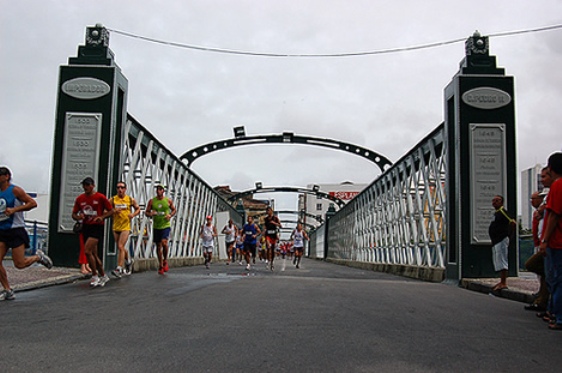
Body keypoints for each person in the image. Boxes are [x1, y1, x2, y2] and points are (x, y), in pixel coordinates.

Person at [0, 167, 53, 301]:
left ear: (6, 176)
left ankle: (38, 258)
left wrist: (15, 210)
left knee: (19, 264)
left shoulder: (15, 190)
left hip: (16, 230)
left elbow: (32, 203)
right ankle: (7, 290)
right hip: (2, 230)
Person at [72, 177, 113, 288]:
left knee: (87, 250)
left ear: (92, 186)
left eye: (87, 185)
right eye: (84, 185)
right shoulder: (80, 199)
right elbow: (74, 214)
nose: (85, 187)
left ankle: (94, 275)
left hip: (97, 227)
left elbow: (111, 210)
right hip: (86, 227)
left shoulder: (100, 197)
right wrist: (78, 217)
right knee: (94, 254)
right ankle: (103, 275)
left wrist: (102, 217)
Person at [539, 152, 562, 330]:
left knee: (556, 279)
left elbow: (553, 215)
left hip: (557, 241)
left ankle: (557, 315)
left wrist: (544, 240)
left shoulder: (558, 186)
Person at [110, 181, 140, 278]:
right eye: (118, 187)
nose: (120, 189)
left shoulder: (130, 199)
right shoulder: (113, 199)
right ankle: (128, 261)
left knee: (120, 245)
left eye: (122, 187)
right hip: (116, 226)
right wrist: (113, 211)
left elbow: (138, 209)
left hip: (125, 226)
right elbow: (105, 210)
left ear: (125, 189)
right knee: (121, 248)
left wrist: (133, 215)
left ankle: (119, 268)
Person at [524, 190, 548, 311]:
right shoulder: (538, 213)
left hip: (546, 243)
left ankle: (544, 299)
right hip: (539, 242)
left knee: (534, 265)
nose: (532, 201)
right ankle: (542, 297)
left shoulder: (545, 210)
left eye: (534, 198)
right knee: (543, 273)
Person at [145, 184, 176, 275]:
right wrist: (151, 214)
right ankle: (161, 265)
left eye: (160, 189)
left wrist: (170, 215)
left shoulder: (168, 201)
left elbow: (174, 210)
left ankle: (165, 260)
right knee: (158, 246)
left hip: (165, 225)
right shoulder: (152, 201)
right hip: (156, 226)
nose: (158, 191)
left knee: (164, 243)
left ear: (163, 191)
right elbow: (146, 212)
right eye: (157, 189)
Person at [488, 195, 516, 292]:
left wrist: (508, 235)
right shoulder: (496, 213)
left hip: (502, 239)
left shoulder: (503, 212)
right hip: (496, 240)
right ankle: (501, 281)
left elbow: (513, 222)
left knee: (502, 260)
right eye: (494, 200)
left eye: (497, 200)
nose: (495, 202)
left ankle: (503, 282)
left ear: (502, 202)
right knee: (498, 260)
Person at [264, 207, 282, 271]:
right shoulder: (266, 219)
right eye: (267, 211)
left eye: (269, 211)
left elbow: (280, 225)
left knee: (272, 250)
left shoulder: (275, 218)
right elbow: (265, 226)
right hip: (268, 235)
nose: (268, 212)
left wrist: (275, 223)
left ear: (271, 211)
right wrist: (264, 232)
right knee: (268, 247)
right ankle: (268, 260)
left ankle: (272, 262)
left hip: (273, 235)